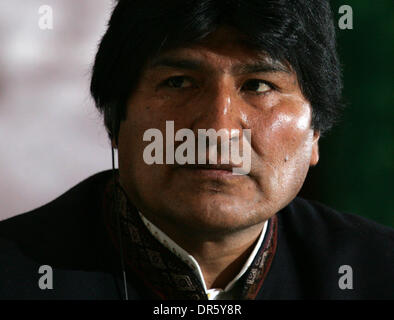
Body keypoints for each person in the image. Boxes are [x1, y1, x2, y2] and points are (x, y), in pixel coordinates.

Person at [1, 0, 393, 300]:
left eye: (258, 86)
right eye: (178, 82)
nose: (219, 130)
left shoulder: (378, 271)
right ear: (116, 118)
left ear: (316, 133)